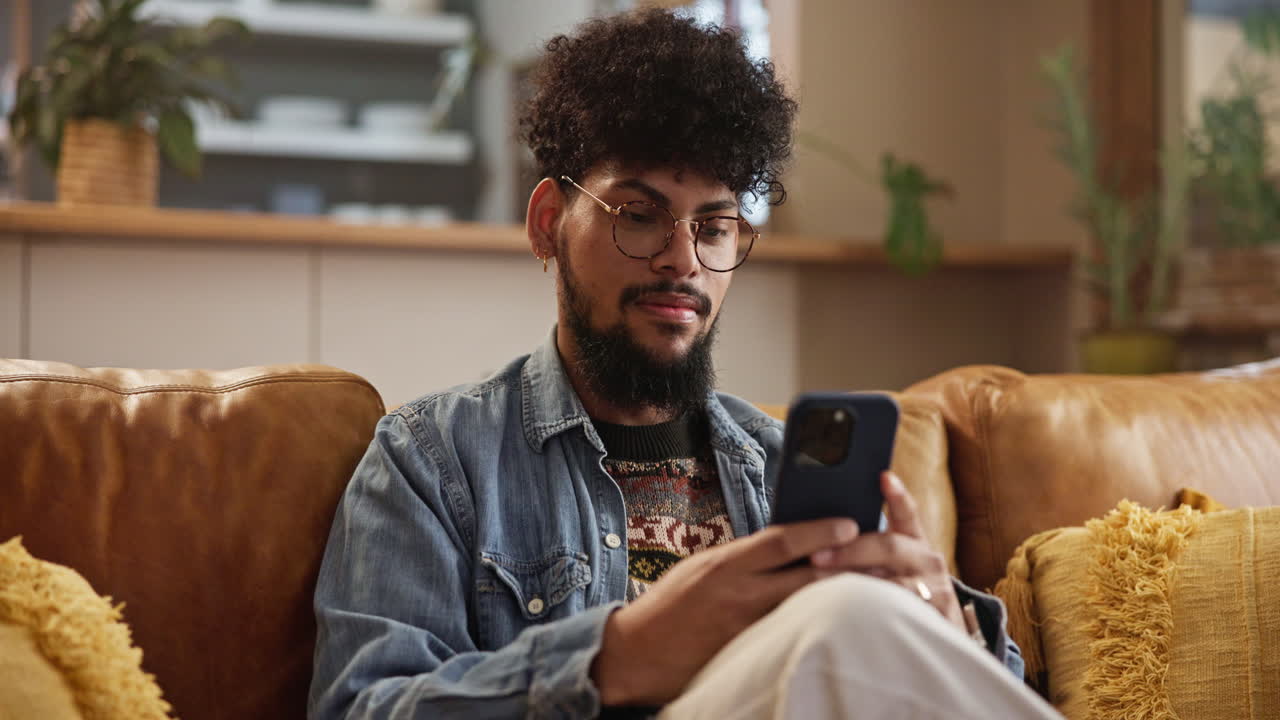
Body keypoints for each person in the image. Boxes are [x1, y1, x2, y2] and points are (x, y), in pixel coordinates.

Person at [309, 8, 1062, 719]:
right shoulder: (433, 460)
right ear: (548, 225)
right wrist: (616, 659)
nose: (682, 261)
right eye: (638, 216)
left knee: (861, 616)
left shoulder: (780, 472)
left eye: (716, 225)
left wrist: (947, 628)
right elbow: (361, 707)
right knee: (844, 613)